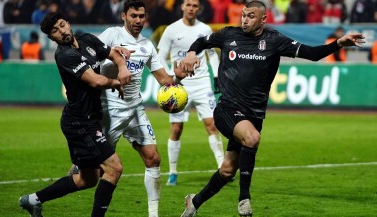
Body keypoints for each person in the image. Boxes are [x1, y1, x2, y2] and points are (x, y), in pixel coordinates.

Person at [178, 1, 364, 216]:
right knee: (252, 138)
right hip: (227, 110)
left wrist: (338, 43)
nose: (244, 19)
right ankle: (244, 199)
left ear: (263, 19)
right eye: (243, 15)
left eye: (250, 16)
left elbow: (313, 54)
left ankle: (194, 203)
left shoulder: (275, 40)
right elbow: (202, 41)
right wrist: (192, 53)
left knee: (228, 170)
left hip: (254, 115)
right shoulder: (229, 35)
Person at [18, 11, 133, 217]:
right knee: (114, 168)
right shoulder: (64, 55)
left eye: (62, 25)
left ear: (68, 24)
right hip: (80, 123)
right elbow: (95, 81)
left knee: (87, 179)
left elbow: (114, 54)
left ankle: (33, 200)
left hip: (89, 119)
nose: (61, 31)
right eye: (55, 31)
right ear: (51, 38)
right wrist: (117, 82)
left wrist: (122, 67)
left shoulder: (87, 39)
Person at [97, 0, 189, 216]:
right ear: (123, 16)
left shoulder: (147, 45)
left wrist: (178, 77)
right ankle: (39, 198)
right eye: (133, 16)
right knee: (90, 173)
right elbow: (89, 53)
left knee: (153, 158)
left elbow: (164, 79)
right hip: (108, 111)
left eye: (141, 16)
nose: (138, 20)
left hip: (134, 109)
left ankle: (153, 214)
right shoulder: (111, 35)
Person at [157, 0, 224, 186]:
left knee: (212, 125)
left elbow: (212, 54)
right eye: (188, 4)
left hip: (202, 84)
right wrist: (168, 77)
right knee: (177, 128)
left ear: (199, 8)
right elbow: (161, 55)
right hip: (180, 86)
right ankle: (172, 172)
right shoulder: (171, 30)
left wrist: (217, 76)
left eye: (195, 5)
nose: (191, 8)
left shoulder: (205, 29)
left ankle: (222, 168)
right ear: (182, 7)